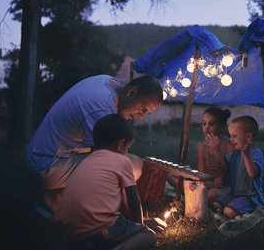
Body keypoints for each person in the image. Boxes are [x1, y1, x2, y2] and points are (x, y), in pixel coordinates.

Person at [25, 74, 163, 215]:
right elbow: (112, 166)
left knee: (131, 162)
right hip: (47, 165)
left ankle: (61, 195)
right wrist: (134, 221)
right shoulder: (101, 108)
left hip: (45, 155)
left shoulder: (106, 82)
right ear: (131, 92)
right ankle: (56, 201)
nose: (142, 116)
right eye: (143, 109)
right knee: (129, 167)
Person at [55, 114, 166, 249]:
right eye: (128, 148)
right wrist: (139, 226)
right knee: (149, 236)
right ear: (120, 145)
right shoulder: (123, 161)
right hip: (101, 231)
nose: (127, 152)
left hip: (69, 232)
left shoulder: (86, 161)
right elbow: (133, 199)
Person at [221, 115, 264, 219]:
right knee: (215, 204)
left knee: (228, 211)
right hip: (235, 194)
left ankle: (248, 216)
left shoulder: (255, 153)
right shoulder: (235, 152)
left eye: (234, 136)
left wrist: (246, 154)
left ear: (248, 137)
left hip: (250, 197)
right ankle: (237, 211)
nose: (231, 139)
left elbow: (253, 174)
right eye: (230, 135)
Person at [195, 107, 234, 208]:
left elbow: (230, 173)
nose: (206, 127)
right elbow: (201, 174)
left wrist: (216, 150)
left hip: (225, 187)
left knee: (210, 195)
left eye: (211, 124)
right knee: (172, 176)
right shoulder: (201, 147)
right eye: (204, 124)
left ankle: (205, 201)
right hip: (209, 184)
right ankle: (211, 202)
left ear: (222, 126)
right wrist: (211, 184)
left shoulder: (229, 145)